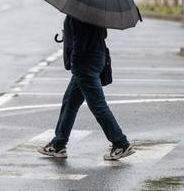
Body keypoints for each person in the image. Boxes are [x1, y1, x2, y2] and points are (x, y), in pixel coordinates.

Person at [38, 15, 135, 160]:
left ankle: (121, 143)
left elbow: (80, 42)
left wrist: (74, 61)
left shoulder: (78, 13)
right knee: (69, 103)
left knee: (98, 105)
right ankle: (58, 145)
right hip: (96, 58)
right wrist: (70, 34)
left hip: (84, 64)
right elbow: (101, 34)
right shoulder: (95, 11)